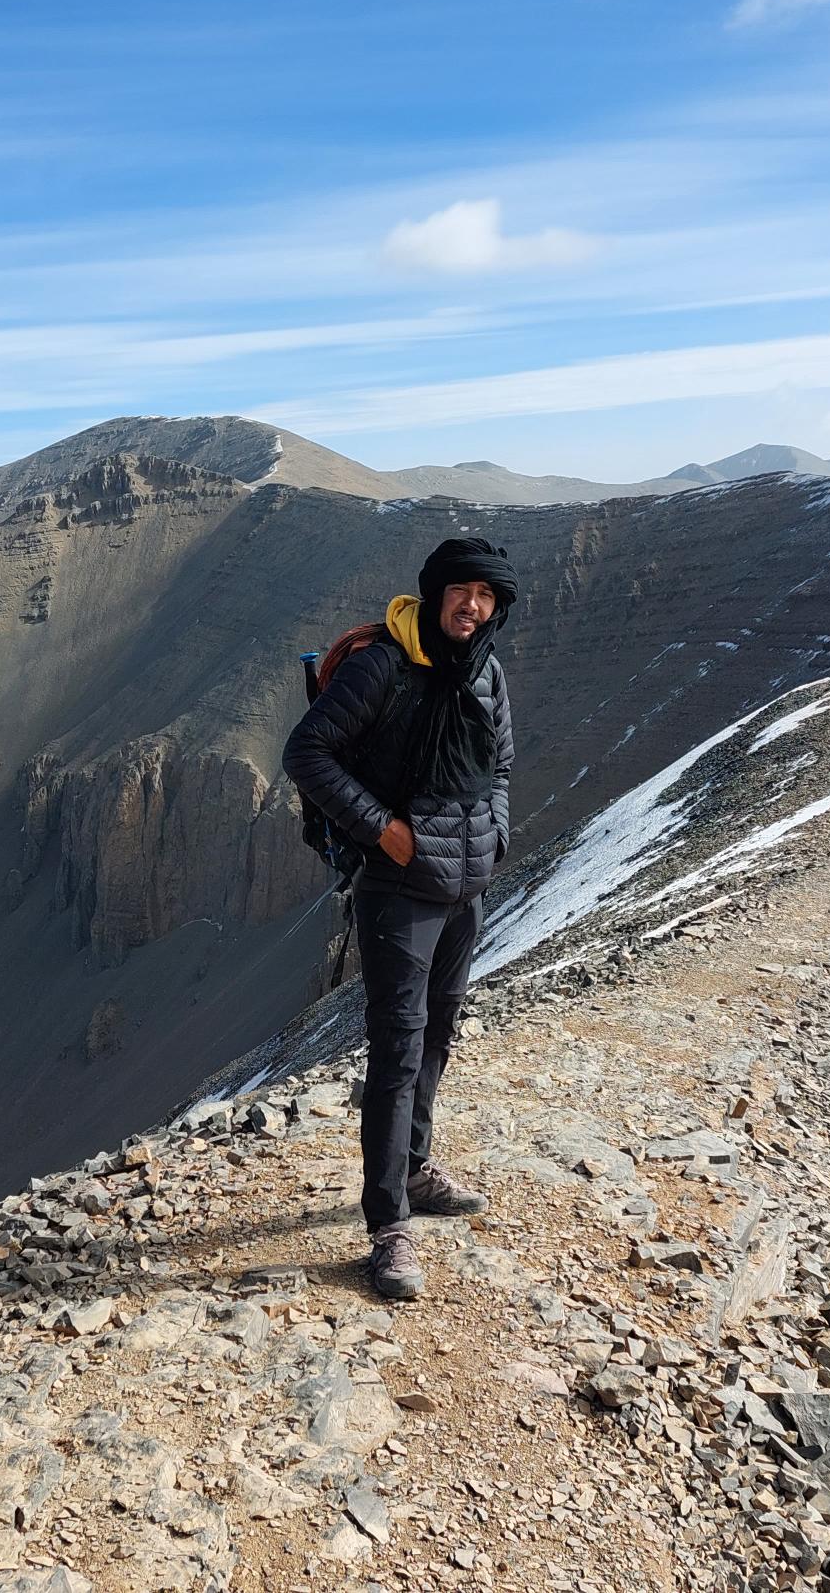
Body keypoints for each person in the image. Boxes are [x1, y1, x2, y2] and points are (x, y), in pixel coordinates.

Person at [283, 536, 518, 1301]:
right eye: (462, 591)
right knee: (397, 1049)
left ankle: (414, 1170)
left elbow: (503, 764)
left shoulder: (485, 671)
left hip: (464, 890)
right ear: (436, 591)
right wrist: (382, 829)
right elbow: (307, 752)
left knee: (439, 1032)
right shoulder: (382, 664)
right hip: (398, 890)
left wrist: (496, 831)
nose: (472, 605)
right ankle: (388, 1227)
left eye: (486, 595)